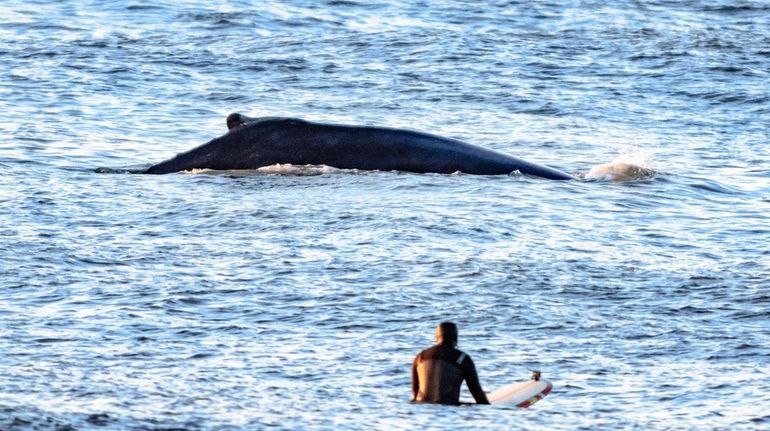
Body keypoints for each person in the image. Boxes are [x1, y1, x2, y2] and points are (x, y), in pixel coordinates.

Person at [411, 321, 490, 405]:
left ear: (436, 337)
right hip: (448, 408)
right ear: (456, 338)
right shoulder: (462, 358)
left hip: (421, 408)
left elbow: (415, 392)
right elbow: (476, 392)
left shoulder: (420, 357)